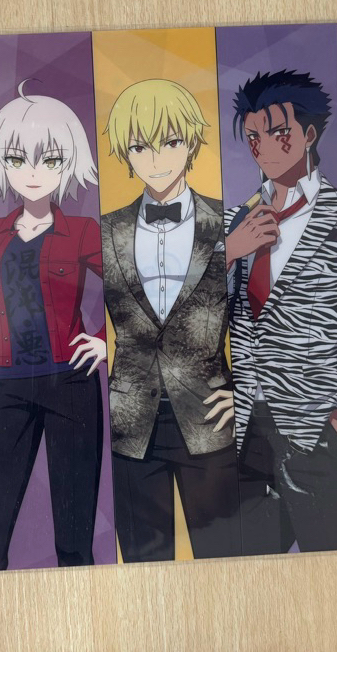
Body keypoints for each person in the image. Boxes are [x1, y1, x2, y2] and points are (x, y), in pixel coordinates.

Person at [225, 70, 337, 553]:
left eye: (277, 132)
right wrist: (229, 252)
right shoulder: (236, 221)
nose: (263, 147)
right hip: (247, 430)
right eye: (252, 137)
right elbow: (196, 317)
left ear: (308, 134)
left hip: (320, 428)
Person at [100, 78, 240, 562]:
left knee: (225, 563)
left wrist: (245, 390)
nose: (157, 158)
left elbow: (256, 317)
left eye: (171, 141)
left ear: (193, 142)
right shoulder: (106, 230)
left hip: (209, 419)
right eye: (141, 146)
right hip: (130, 425)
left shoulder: (228, 223)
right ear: (125, 152)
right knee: (143, 571)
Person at [0, 84, 106, 570]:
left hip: (71, 383)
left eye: (49, 160)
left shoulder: (84, 232)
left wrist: (105, 342)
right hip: (8, 385)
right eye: (17, 159)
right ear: (1, 163)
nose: (32, 173)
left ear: (67, 164)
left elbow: (132, 292)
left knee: (74, 537)